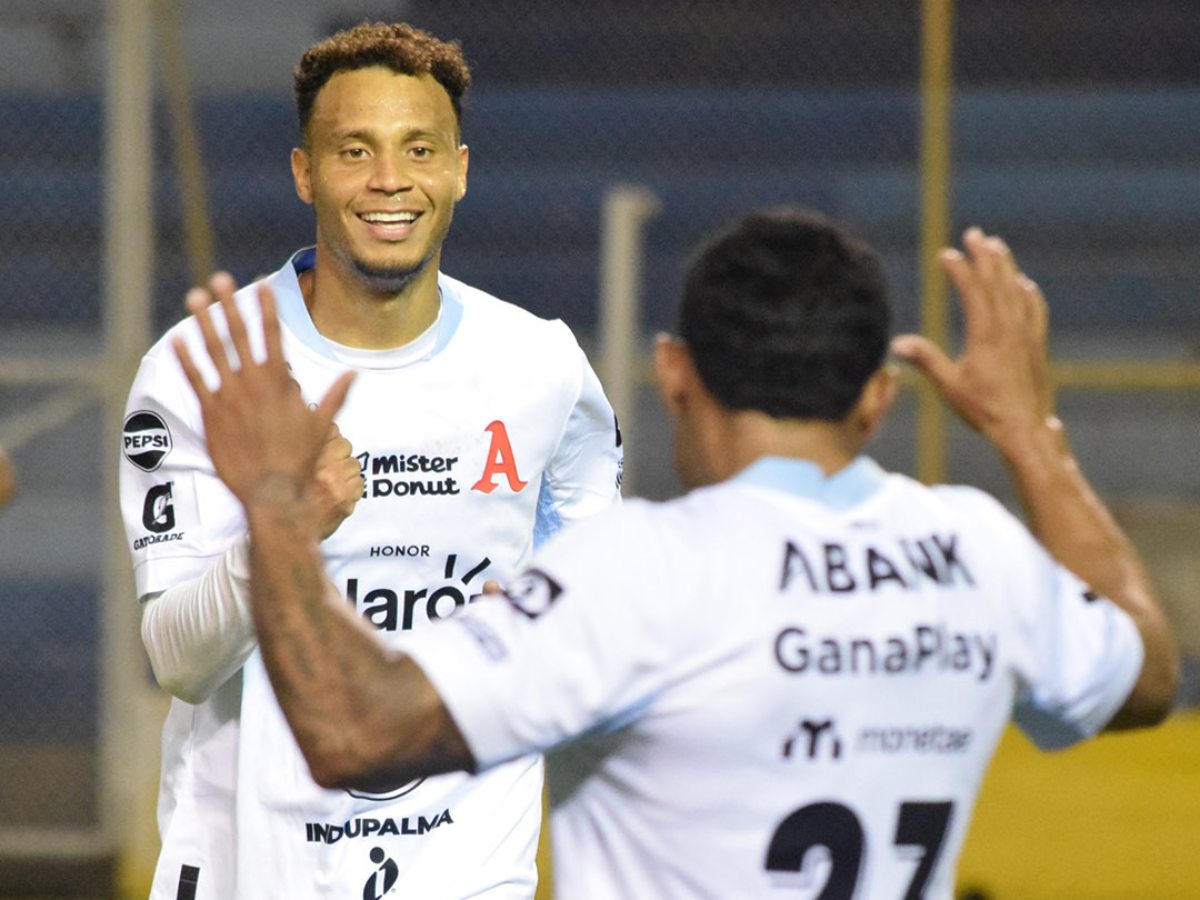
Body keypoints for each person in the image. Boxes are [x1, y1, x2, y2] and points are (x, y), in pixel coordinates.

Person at [174, 208, 1178, 899]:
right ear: (878, 398)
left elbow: (354, 729)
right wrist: (1026, 429)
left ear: (674, 374)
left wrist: (274, 505)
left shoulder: (643, 573)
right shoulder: (973, 552)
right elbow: (1144, 671)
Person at [119, 21, 622, 900]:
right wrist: (286, 524)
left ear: (459, 169)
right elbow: (178, 661)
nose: (391, 180)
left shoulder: (541, 365)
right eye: (355, 150)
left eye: (418, 148)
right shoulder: (205, 368)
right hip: (250, 872)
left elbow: (596, 614)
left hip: (469, 874)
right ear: (305, 172)